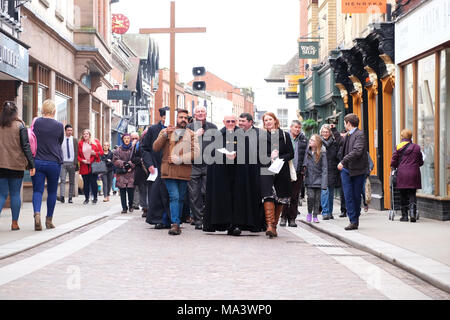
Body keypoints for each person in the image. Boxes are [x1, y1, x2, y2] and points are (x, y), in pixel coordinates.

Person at [203, 114, 264, 236]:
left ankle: (237, 224)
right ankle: (224, 223)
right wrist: (224, 155)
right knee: (223, 199)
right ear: (224, 122)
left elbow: (248, 152)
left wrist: (237, 154)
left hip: (239, 173)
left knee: (239, 199)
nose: (230, 123)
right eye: (228, 121)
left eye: (232, 121)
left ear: (236, 122)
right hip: (222, 173)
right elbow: (212, 152)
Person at [152, 109, 200, 235]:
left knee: (180, 199)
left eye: (185, 117)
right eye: (180, 117)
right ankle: (175, 224)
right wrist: (164, 135)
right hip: (169, 170)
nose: (183, 119)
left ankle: (177, 222)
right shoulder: (166, 131)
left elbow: (196, 153)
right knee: (175, 196)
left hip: (184, 171)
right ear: (176, 118)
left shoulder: (191, 134)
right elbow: (155, 148)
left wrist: (180, 159)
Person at [0, 101, 35, 231]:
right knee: (15, 194)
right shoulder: (20, 126)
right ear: (16, 112)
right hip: (16, 165)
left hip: (1, 165)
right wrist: (32, 164)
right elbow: (26, 146)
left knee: (1, 195)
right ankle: (14, 223)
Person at [31, 99, 64, 230]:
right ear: (54, 111)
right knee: (51, 192)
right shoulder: (59, 126)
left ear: (42, 110)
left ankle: (37, 213)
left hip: (37, 160)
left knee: (37, 190)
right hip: (54, 162)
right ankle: (49, 220)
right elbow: (59, 141)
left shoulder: (36, 122)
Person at [260, 112, 294, 238]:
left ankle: (274, 226)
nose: (267, 122)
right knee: (268, 196)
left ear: (275, 120)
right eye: (265, 120)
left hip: (281, 170)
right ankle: (269, 225)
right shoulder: (261, 136)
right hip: (266, 170)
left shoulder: (285, 135)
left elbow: (291, 153)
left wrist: (279, 157)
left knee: (280, 198)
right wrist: (269, 157)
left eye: (270, 119)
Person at [187, 105, 218, 230]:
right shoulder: (189, 128)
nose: (200, 113)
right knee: (194, 194)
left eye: (202, 111)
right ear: (194, 115)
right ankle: (198, 219)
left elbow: (218, 145)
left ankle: (206, 217)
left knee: (206, 192)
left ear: (206, 113)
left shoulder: (213, 127)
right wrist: (195, 134)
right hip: (193, 165)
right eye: (198, 112)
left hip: (209, 165)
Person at [337, 113, 368, 230]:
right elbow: (340, 143)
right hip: (346, 170)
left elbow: (358, 151)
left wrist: (343, 161)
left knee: (355, 196)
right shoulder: (349, 135)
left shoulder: (359, 135)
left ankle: (355, 218)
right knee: (348, 195)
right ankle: (353, 220)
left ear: (348, 123)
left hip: (357, 170)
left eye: (345, 123)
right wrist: (334, 131)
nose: (344, 125)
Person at [142, 107, 170, 226]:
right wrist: (150, 164)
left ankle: (170, 220)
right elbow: (145, 148)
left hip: (171, 167)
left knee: (170, 194)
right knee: (157, 195)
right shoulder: (153, 129)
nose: (166, 120)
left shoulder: (177, 130)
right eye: (164, 118)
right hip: (156, 167)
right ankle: (158, 220)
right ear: (162, 117)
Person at [390, 128, 423, 222]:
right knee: (412, 193)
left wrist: (393, 167)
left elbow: (394, 160)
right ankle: (412, 213)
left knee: (403, 194)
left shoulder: (398, 147)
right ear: (410, 137)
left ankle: (404, 216)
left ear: (402, 137)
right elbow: (420, 161)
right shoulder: (417, 147)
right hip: (414, 173)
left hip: (402, 173)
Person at [280, 120, 307, 227]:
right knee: (285, 196)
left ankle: (292, 219)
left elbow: (306, 155)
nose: (297, 129)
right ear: (291, 127)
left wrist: (304, 167)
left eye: (299, 127)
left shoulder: (304, 140)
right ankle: (283, 217)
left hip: (298, 171)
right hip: (286, 171)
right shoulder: (285, 138)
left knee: (295, 196)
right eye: (295, 127)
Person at [303, 134, 328, 223]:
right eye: (310, 139)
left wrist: (324, 184)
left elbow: (325, 168)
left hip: (319, 180)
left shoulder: (322, 153)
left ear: (317, 143)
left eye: (313, 140)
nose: (310, 141)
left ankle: (315, 215)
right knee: (310, 197)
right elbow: (303, 164)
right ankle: (309, 213)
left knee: (317, 199)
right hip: (309, 179)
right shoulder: (307, 152)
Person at [113, 134, 140, 213]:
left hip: (131, 172)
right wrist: (124, 164)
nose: (127, 140)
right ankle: (124, 207)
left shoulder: (133, 149)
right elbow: (115, 160)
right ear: (122, 139)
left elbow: (136, 159)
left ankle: (131, 205)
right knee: (122, 191)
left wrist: (130, 165)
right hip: (122, 173)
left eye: (128, 138)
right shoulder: (118, 149)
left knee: (131, 191)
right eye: (125, 138)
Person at [320, 124, 340, 220]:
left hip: (332, 169)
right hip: (322, 170)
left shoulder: (335, 143)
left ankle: (330, 212)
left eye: (327, 132)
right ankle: (325, 212)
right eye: (323, 132)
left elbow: (337, 156)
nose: (325, 133)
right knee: (324, 191)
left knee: (331, 192)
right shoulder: (318, 143)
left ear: (330, 133)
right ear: (321, 133)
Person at [78, 129, 103, 205]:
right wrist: (82, 160)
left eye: (87, 134)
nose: (85, 135)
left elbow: (101, 152)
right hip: (84, 165)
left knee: (93, 182)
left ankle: (95, 198)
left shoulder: (95, 142)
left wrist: (94, 153)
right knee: (85, 183)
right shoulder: (80, 143)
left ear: (89, 135)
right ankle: (86, 198)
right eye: (84, 134)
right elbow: (78, 155)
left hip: (93, 165)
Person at [57, 124, 78, 204]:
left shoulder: (75, 140)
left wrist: (75, 163)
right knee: (62, 180)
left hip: (72, 163)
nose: (70, 132)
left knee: (72, 181)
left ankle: (70, 198)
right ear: (65, 131)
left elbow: (76, 152)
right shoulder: (61, 140)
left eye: (71, 130)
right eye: (68, 130)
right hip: (63, 163)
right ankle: (62, 197)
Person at [133, 132, 149, 216]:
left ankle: (150, 207)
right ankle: (145, 208)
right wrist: (140, 160)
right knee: (142, 190)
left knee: (150, 190)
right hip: (141, 171)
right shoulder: (138, 145)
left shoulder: (152, 143)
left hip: (151, 170)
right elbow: (133, 158)